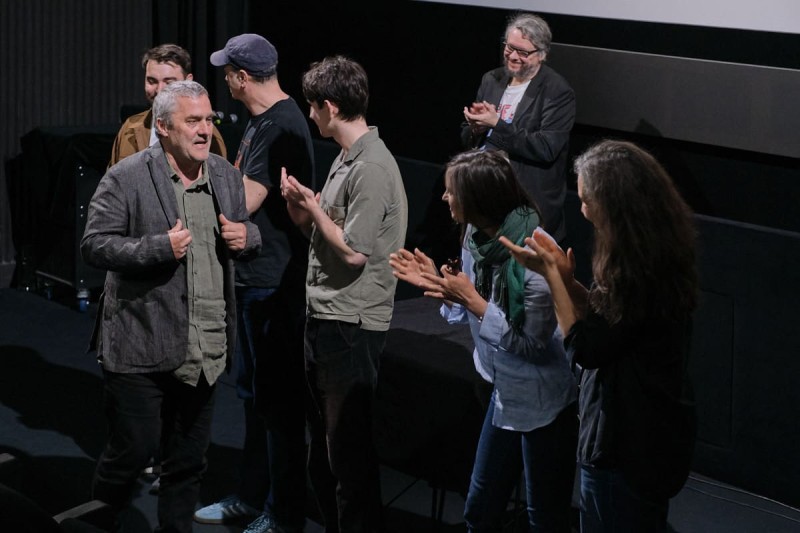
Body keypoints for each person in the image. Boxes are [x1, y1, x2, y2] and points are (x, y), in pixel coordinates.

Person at [80, 80, 261, 533]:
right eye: (192, 121)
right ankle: (96, 523)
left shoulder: (224, 175)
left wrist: (249, 237)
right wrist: (157, 247)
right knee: (133, 453)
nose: (204, 130)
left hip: (204, 346)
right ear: (162, 127)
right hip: (141, 341)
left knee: (187, 464)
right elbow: (94, 245)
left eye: (208, 120)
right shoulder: (126, 176)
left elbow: (246, 236)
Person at [501, 140, 698, 532]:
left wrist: (553, 277)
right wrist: (571, 283)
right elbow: (617, 326)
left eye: (587, 198)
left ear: (613, 202)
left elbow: (587, 346)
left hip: (624, 447)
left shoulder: (636, 272)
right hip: (651, 442)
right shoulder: (656, 255)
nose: (583, 207)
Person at [390, 149, 577, 532]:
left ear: (478, 198)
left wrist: (472, 300)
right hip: (504, 393)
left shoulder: (531, 255)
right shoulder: (475, 238)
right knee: (480, 507)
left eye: (451, 192)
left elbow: (531, 345)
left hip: (543, 404)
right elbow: (475, 304)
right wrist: (444, 288)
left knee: (545, 517)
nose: (444, 198)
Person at [280, 55, 408, 533]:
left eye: (313, 107)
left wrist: (313, 207)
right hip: (326, 316)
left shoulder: (372, 167)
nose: (310, 116)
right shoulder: (346, 158)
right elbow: (327, 232)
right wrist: (303, 207)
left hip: (351, 326)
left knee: (348, 459)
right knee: (327, 454)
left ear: (329, 107)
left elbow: (355, 254)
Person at [193, 34, 315, 533]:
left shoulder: (282, 124)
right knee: (255, 397)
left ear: (242, 77)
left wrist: (195, 169)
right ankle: (251, 496)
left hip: (270, 285)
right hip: (254, 280)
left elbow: (242, 201)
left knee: (278, 405)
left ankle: (282, 514)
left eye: (228, 72)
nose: (224, 80)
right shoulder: (261, 122)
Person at [461, 12, 575, 243]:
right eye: (509, 47)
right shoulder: (491, 79)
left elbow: (545, 148)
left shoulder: (557, 92)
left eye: (522, 52)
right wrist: (476, 128)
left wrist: (497, 124)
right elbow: (467, 138)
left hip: (527, 205)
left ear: (541, 54)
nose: (513, 56)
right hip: (484, 195)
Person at [109, 43, 227, 167]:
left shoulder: (207, 135)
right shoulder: (130, 128)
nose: (159, 90)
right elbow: (113, 180)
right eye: (151, 81)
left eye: (169, 82)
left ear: (188, 81)